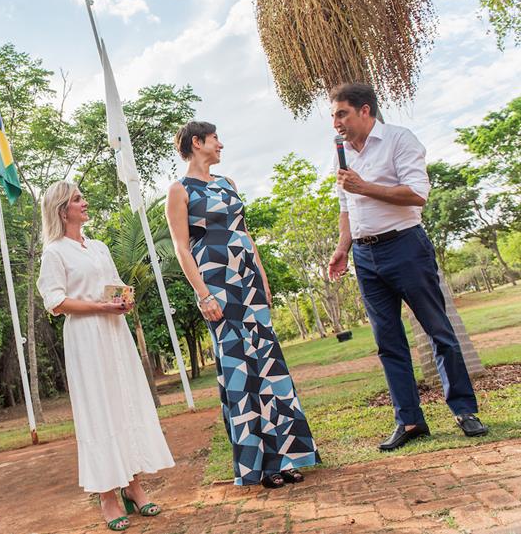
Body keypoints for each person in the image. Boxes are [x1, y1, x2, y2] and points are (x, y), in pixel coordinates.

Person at [327, 82, 488, 451]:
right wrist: (342, 248)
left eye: (342, 113)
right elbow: (346, 208)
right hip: (364, 258)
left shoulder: (400, 140)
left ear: (365, 110)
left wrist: (364, 186)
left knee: (438, 331)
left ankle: (464, 410)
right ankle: (410, 420)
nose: (336, 122)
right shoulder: (340, 153)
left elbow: (417, 193)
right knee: (388, 343)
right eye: (333, 116)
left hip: (405, 247)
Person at [165, 121, 320, 489]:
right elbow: (182, 248)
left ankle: (286, 456)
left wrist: (262, 276)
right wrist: (204, 294)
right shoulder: (179, 190)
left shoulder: (227, 183)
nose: (221, 144)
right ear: (197, 142)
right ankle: (261, 466)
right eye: (215, 138)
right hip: (218, 285)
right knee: (240, 368)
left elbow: (244, 233)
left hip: (249, 281)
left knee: (268, 364)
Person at [36, 181, 174, 531]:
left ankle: (135, 486)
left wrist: (122, 302)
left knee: (125, 402)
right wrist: (98, 306)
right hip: (85, 337)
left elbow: (114, 286)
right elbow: (55, 302)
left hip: (115, 335)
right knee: (99, 410)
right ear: (61, 209)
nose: (85, 203)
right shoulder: (54, 252)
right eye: (77, 199)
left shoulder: (97, 247)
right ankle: (108, 497)